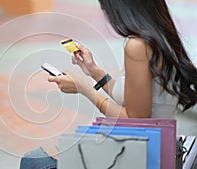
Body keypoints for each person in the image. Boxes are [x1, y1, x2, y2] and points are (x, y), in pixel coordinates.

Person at [20, 0, 197, 168]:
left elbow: (137, 120)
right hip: (156, 148)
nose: (104, 11)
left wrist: (85, 89)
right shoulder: (159, 35)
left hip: (145, 155)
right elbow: (132, 97)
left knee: (33, 162)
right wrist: (92, 70)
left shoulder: (137, 46)